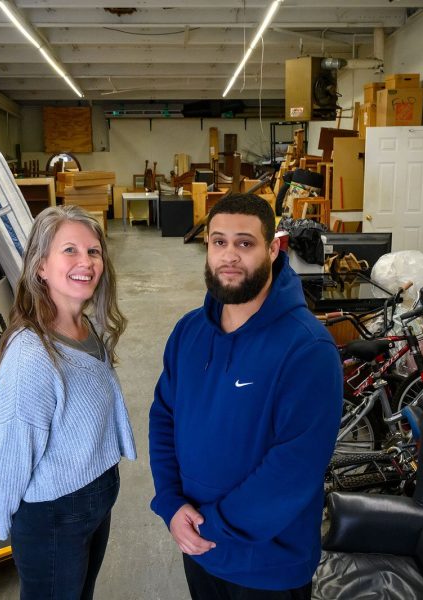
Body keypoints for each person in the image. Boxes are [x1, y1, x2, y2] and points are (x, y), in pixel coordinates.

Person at [149, 193, 342, 599]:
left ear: (273, 249)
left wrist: (210, 526)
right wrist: (171, 503)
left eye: (245, 243)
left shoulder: (307, 349)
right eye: (219, 242)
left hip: (268, 567)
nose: (229, 256)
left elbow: (295, 468)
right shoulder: (188, 332)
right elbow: (164, 416)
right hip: (199, 549)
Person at [0, 205, 136, 600]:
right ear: (41, 266)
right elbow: (11, 450)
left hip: (92, 497)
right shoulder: (31, 356)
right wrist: (2, 518)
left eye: (94, 251)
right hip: (53, 513)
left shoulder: (87, 326)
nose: (86, 261)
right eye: (70, 250)